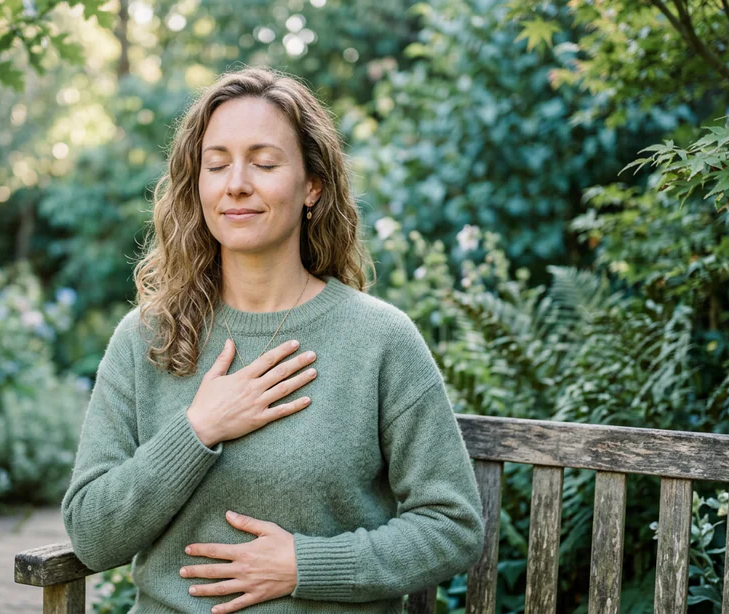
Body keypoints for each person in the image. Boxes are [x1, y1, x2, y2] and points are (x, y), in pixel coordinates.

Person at [62, 66, 484, 614]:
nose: (237, 182)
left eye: (263, 163)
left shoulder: (380, 339)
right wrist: (197, 429)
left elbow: (451, 527)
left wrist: (305, 566)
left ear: (312, 185)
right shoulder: (149, 337)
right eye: (216, 165)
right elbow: (92, 535)